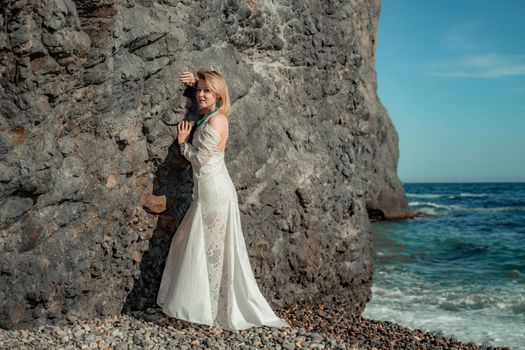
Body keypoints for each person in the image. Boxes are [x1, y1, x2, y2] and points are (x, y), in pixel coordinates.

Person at [157, 70, 290, 330]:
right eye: (199, 91)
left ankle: (212, 311)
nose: (201, 95)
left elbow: (198, 160)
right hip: (207, 192)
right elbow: (210, 93)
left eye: (207, 91)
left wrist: (183, 143)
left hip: (215, 194)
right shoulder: (209, 117)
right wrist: (195, 82)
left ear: (219, 95)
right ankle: (200, 307)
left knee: (212, 250)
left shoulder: (217, 121)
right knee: (201, 246)